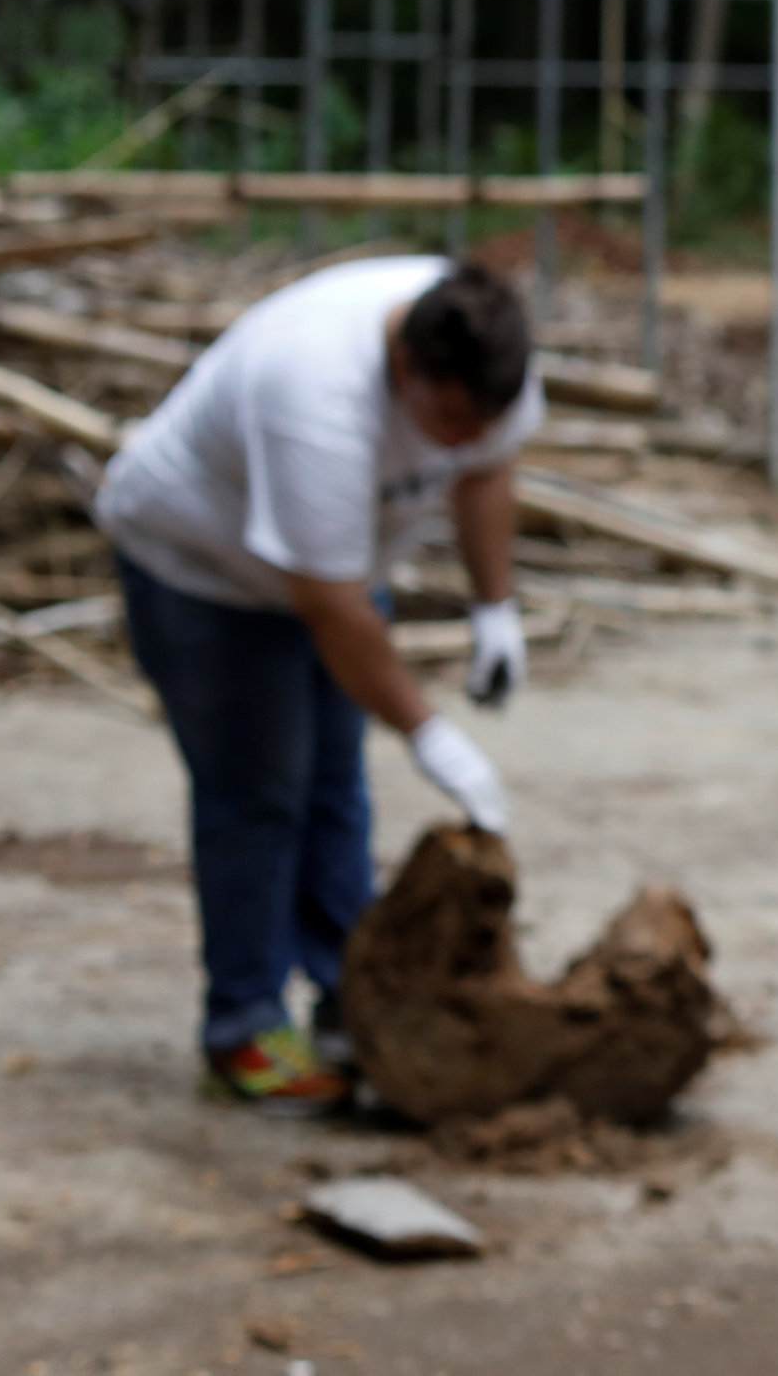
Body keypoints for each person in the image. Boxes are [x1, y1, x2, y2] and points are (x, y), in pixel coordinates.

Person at [95, 257, 541, 1113]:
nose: (460, 438)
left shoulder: (490, 356)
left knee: (334, 781)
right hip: (202, 569)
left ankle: (354, 996)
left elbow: (489, 469)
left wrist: (496, 610)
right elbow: (330, 608)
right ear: (405, 370)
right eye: (449, 420)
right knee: (258, 794)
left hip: (331, 560)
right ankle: (245, 1028)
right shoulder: (313, 391)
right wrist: (428, 730)